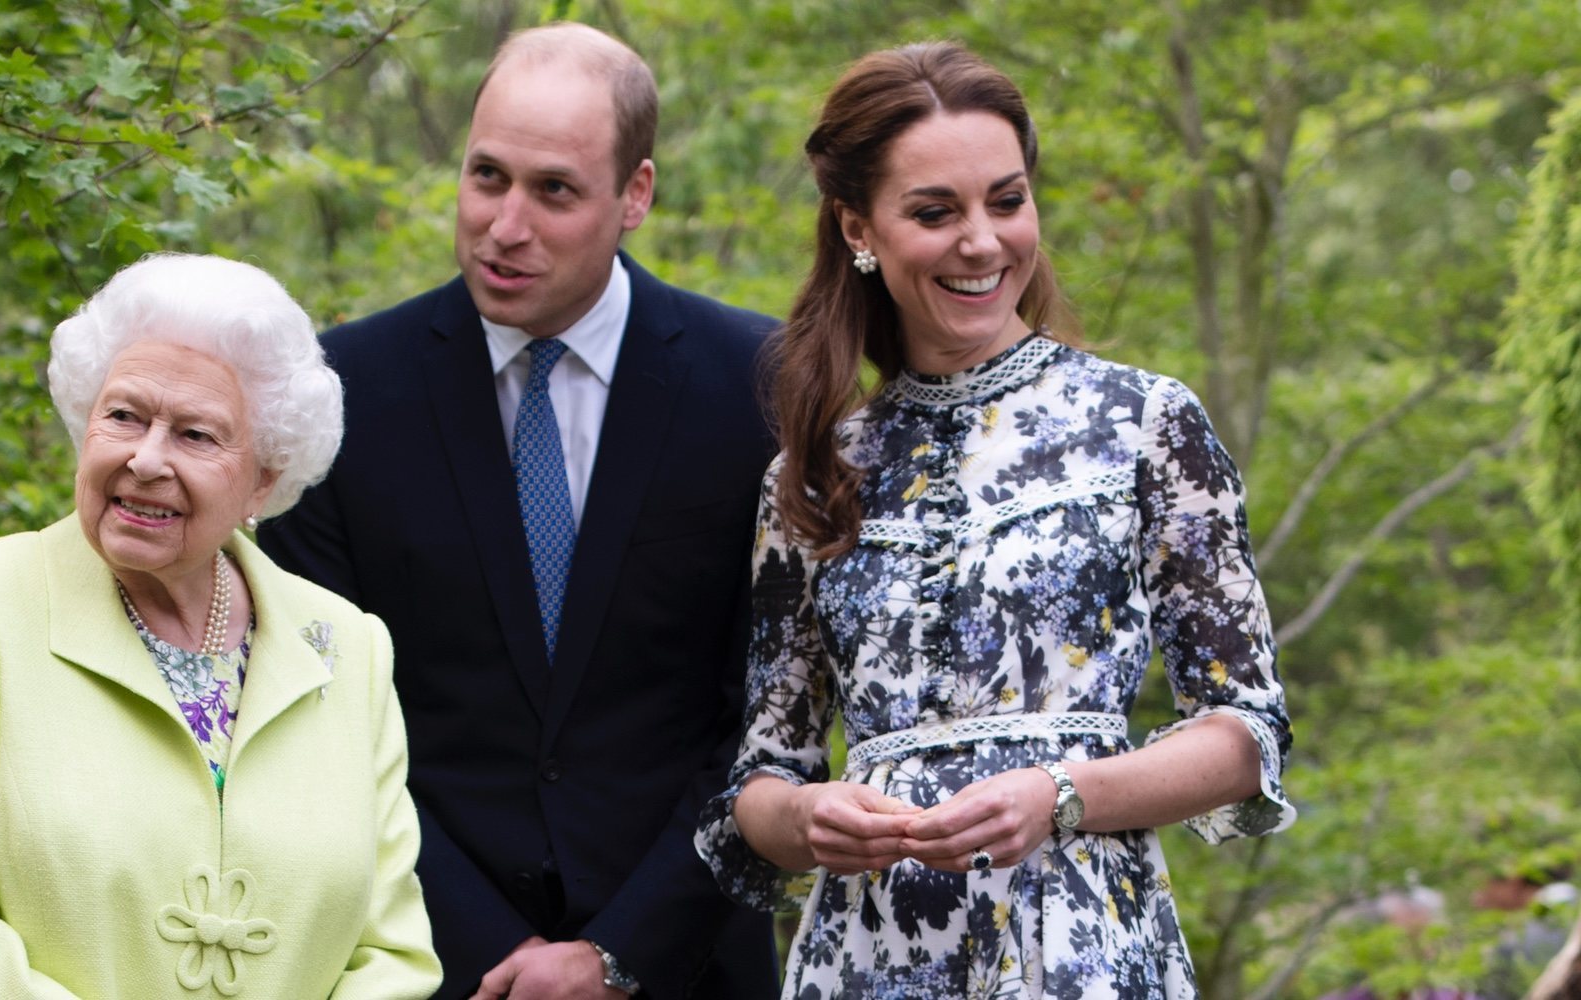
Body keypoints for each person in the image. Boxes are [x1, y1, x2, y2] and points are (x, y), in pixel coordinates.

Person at [693, 42, 1296, 997]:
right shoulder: (810, 473)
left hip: (1088, 951)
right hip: (868, 957)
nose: (982, 242)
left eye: (1006, 202)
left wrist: (1061, 795)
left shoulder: (1144, 424)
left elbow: (1244, 730)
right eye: (936, 212)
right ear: (860, 226)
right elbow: (761, 779)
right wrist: (808, 818)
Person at [257, 22, 780, 1000]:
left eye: (553, 191)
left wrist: (620, 952)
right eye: (485, 176)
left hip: (690, 965)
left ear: (636, 196)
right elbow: (319, 715)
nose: (503, 224)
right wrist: (487, 956)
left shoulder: (757, 387)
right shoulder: (336, 395)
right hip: (417, 962)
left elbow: (765, 719)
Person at [0, 254, 441, 999]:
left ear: (265, 476)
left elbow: (393, 954)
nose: (145, 458)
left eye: (196, 435)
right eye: (125, 415)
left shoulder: (347, 646)